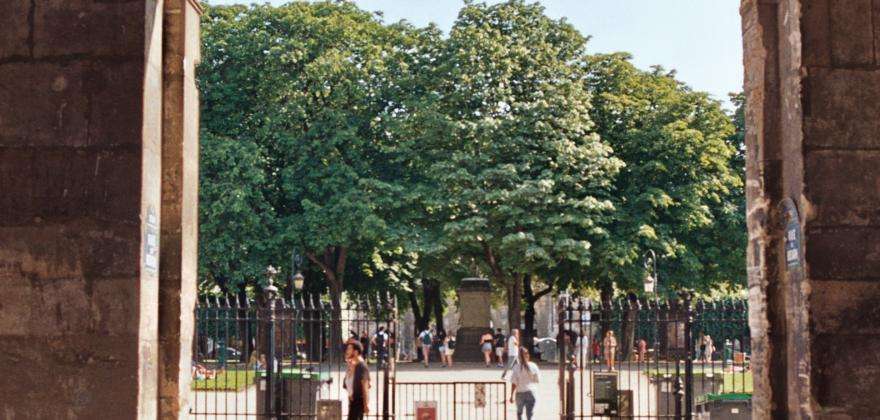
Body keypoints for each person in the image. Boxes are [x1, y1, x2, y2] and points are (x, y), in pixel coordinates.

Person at [508, 346, 540, 420]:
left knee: (519, 413)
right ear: (528, 355)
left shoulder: (516, 367)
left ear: (519, 356)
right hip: (531, 392)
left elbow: (514, 383)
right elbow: (537, 380)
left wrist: (511, 395)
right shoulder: (533, 366)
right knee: (530, 415)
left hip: (520, 392)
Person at [343, 341, 370, 420]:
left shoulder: (362, 366)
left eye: (349, 349)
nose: (347, 351)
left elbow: (365, 386)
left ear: (356, 352)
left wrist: (366, 404)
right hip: (353, 402)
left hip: (358, 402)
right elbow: (346, 384)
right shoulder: (353, 365)